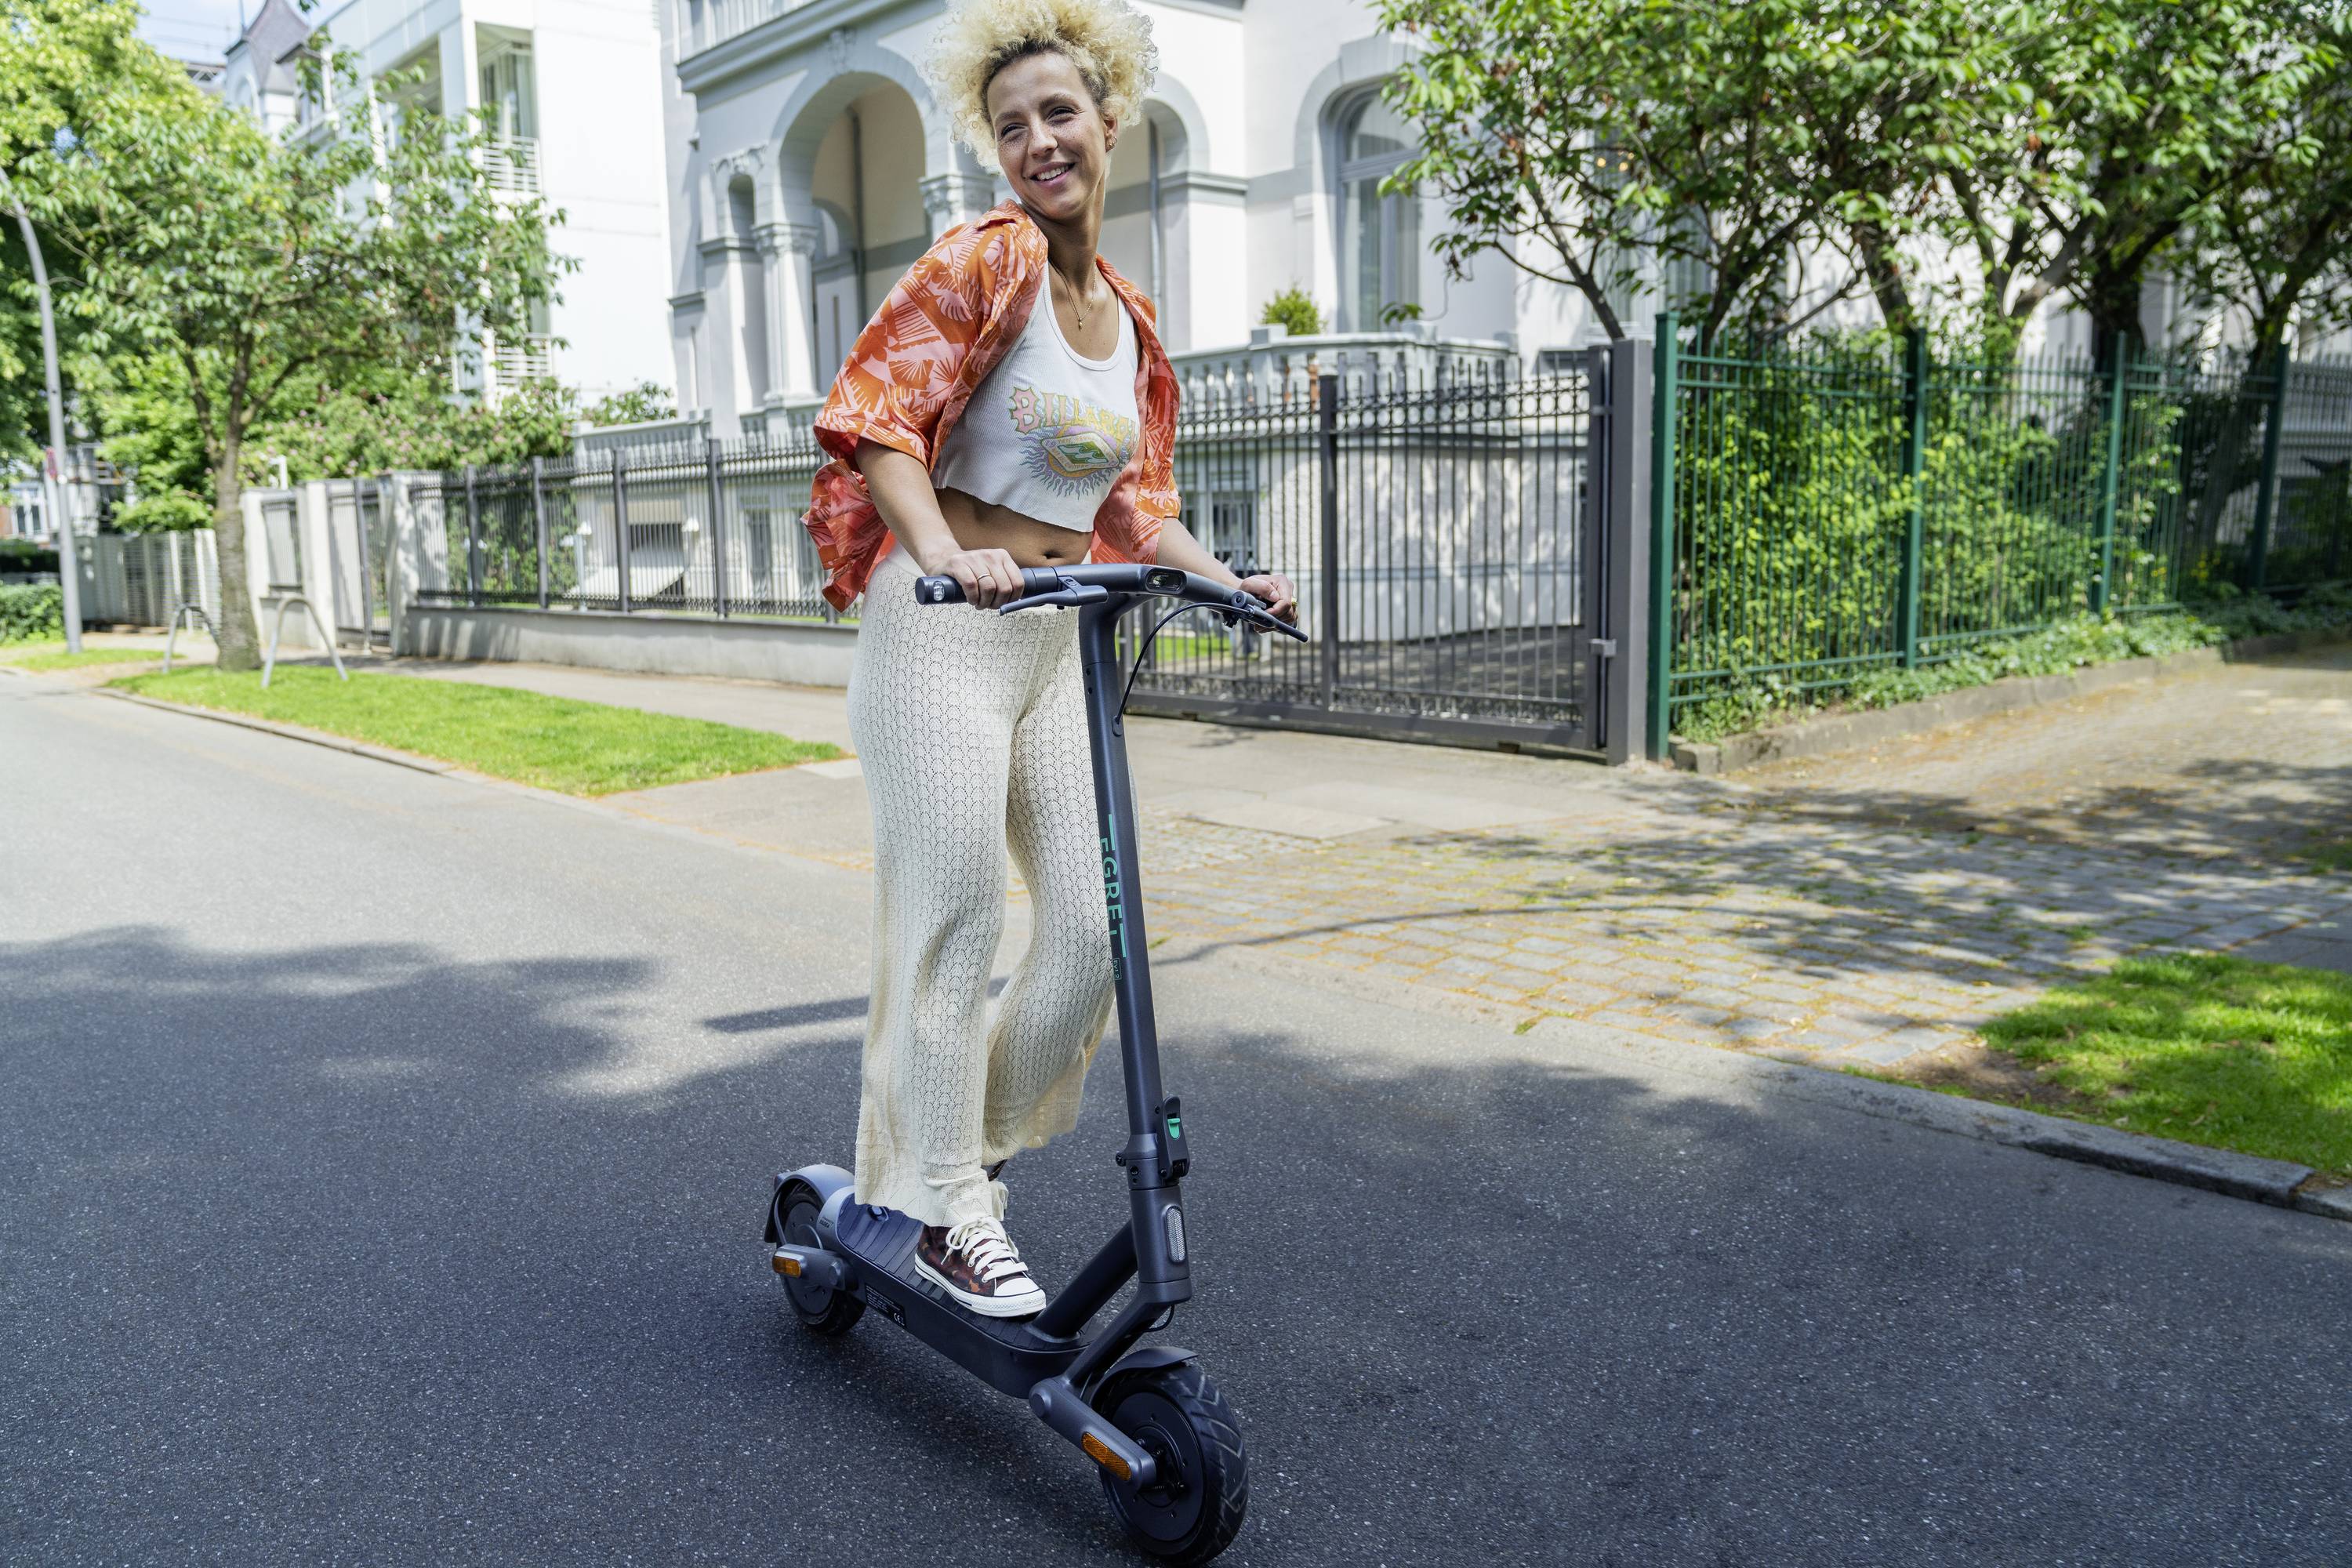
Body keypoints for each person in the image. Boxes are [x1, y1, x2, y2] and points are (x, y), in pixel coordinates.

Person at [804, 0, 1297, 1319]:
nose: (1039, 141)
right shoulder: (981, 262)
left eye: (1060, 113)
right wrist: (940, 555)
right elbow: (878, 425)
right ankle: (950, 1207)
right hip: (944, 629)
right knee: (957, 912)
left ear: (1110, 121)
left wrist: (1225, 578)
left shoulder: (1128, 323)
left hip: (1057, 635)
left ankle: (953, 1154)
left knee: (1094, 928)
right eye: (1011, 124)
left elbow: (1134, 500)